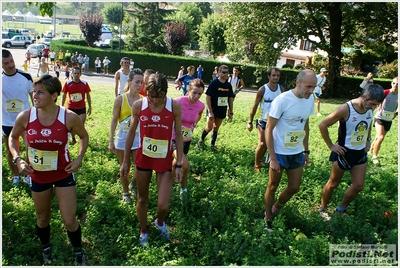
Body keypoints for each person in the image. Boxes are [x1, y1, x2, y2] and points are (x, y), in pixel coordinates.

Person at [8, 75, 89, 265]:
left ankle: (78, 251)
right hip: (37, 175)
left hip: (63, 173)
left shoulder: (69, 117)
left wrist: (79, 158)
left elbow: (84, 137)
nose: (35, 96)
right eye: (34, 91)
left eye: (40, 92)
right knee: (42, 217)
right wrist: (18, 159)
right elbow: (13, 138)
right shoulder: (26, 116)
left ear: (54, 95)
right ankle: (46, 249)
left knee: (69, 220)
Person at [120, 73, 183, 247]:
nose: (155, 101)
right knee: (142, 199)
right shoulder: (139, 105)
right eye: (151, 97)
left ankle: (160, 222)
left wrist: (179, 164)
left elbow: (178, 135)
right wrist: (125, 161)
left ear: (165, 92)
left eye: (159, 97)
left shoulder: (174, 106)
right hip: (144, 159)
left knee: (163, 205)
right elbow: (131, 133)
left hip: (163, 160)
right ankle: (143, 230)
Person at [318, 84, 385, 221]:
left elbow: (368, 122)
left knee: (359, 185)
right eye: (372, 104)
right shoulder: (345, 109)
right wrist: (331, 146)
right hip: (343, 153)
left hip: (360, 153)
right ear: (364, 97)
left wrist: (367, 139)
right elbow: (322, 125)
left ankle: (341, 208)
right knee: (333, 183)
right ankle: (323, 208)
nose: (373, 108)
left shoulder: (369, 108)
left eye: (376, 105)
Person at [263, 69, 316, 232]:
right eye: (308, 86)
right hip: (279, 152)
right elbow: (269, 129)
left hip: (296, 152)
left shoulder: (310, 99)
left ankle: (276, 207)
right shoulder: (282, 100)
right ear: (297, 83)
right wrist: (272, 157)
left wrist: (306, 151)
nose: (311, 91)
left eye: (314, 87)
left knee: (294, 187)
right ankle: (267, 218)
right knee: (272, 186)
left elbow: (305, 124)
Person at [109, 68, 144, 203]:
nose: (140, 85)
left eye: (142, 82)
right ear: (129, 81)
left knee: (138, 168)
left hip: (137, 138)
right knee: (125, 167)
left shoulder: (143, 101)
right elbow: (113, 120)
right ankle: (125, 193)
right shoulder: (120, 99)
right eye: (137, 82)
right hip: (122, 139)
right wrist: (110, 140)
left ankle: (133, 184)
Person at [2, 49, 34, 185]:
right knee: (11, 150)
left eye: (12, 61)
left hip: (26, 121)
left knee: (30, 148)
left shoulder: (25, 77)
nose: (10, 65)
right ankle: (16, 176)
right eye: (6, 63)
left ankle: (28, 174)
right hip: (7, 121)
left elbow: (35, 98)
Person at [171, 78, 205, 200]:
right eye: (194, 92)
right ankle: (183, 189)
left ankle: (169, 182)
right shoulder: (177, 102)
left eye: (200, 94)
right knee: (185, 165)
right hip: (174, 138)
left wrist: (195, 122)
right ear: (188, 90)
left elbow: (200, 113)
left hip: (187, 139)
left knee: (176, 163)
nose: (196, 96)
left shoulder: (201, 105)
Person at [248, 67, 285, 172]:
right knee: (262, 143)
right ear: (269, 76)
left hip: (276, 122)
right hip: (263, 121)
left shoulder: (281, 89)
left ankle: (260, 159)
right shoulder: (263, 90)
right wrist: (250, 122)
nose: (275, 77)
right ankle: (256, 165)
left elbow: (284, 106)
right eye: (273, 75)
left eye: (277, 76)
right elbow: (255, 106)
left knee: (270, 144)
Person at [196, 65, 234, 151]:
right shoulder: (214, 83)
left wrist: (231, 111)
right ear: (219, 73)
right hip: (212, 109)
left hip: (222, 110)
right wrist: (210, 111)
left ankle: (212, 145)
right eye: (223, 72)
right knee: (209, 127)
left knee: (216, 127)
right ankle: (201, 141)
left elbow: (230, 99)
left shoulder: (228, 85)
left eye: (227, 72)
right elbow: (208, 97)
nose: (225, 74)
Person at [370, 77, 398, 165]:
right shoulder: (385, 92)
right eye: (394, 83)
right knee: (381, 137)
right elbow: (374, 101)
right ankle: (374, 157)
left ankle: (371, 149)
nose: (395, 85)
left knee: (378, 137)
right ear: (391, 83)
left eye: (398, 84)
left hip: (389, 119)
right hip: (380, 117)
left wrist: (396, 114)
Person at [61, 66, 92, 145]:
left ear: (80, 74)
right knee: (72, 127)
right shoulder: (68, 83)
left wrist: (90, 106)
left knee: (80, 125)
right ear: (72, 73)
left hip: (81, 108)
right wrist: (62, 106)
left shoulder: (84, 84)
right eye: (75, 73)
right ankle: (73, 138)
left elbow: (88, 95)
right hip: (71, 108)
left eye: (78, 73)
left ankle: (82, 140)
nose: (76, 75)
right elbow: (64, 95)